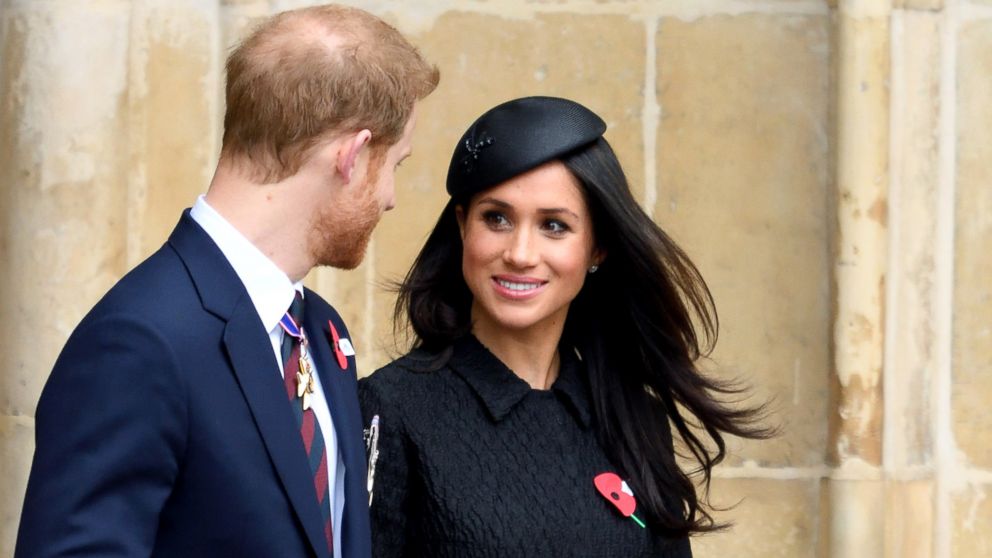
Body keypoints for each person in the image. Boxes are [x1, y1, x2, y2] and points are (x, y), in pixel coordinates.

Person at [15, 5, 438, 558]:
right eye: (396, 166)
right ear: (353, 156)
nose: (390, 198)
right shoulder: (139, 342)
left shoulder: (321, 331)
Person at [359, 96, 770, 557]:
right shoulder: (393, 409)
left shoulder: (635, 419)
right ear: (462, 225)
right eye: (496, 218)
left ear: (597, 249)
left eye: (554, 226)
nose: (520, 253)